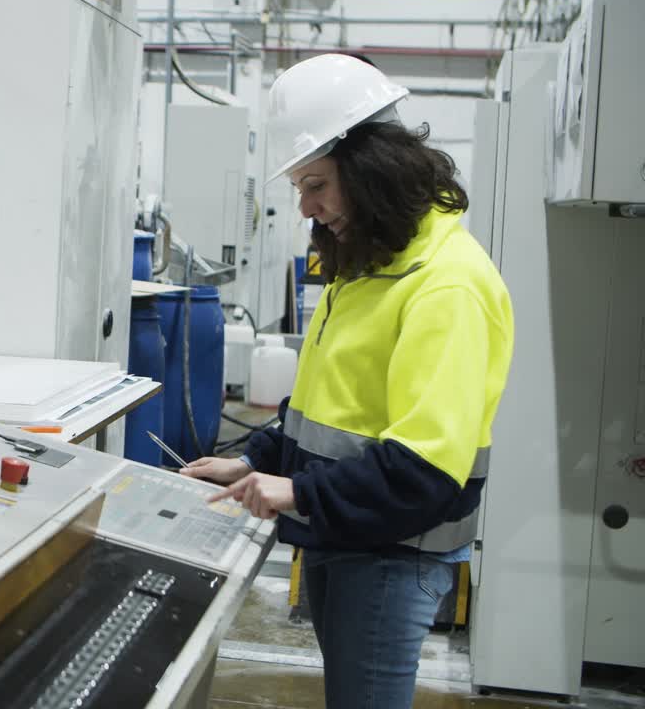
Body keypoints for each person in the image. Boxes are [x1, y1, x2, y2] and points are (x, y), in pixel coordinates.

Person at [181, 54, 514, 709]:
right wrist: (253, 460)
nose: (306, 206)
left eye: (316, 184)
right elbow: (328, 414)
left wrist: (296, 490)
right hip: (345, 532)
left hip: (394, 555)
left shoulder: (446, 283)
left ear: (372, 170)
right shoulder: (369, 264)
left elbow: (423, 469)